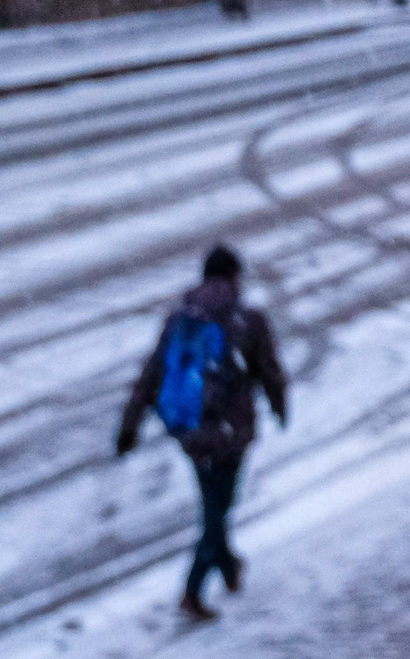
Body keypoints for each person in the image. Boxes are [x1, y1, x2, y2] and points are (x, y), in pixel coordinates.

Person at [117, 243, 289, 623]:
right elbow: (269, 371)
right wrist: (279, 406)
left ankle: (228, 565)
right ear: (234, 277)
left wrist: (129, 427)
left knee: (214, 503)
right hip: (230, 431)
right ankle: (192, 592)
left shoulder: (180, 320)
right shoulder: (248, 320)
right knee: (217, 511)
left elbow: (151, 374)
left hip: (190, 429)